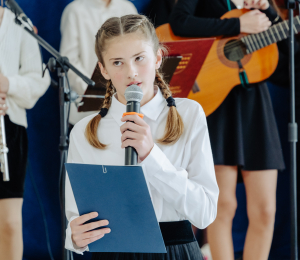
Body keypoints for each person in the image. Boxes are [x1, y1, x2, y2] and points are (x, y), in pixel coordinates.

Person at [64, 14, 219, 260]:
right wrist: (74, 237)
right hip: (113, 253)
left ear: (158, 58)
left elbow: (205, 212)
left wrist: (150, 155)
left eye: (139, 58)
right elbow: (76, 218)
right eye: (117, 63)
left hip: (176, 251)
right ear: (103, 69)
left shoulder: (188, 114)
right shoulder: (84, 132)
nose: (131, 72)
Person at [169, 1, 285, 260]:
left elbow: (284, 47)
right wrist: (238, 24)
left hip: (255, 103)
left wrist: (268, 11)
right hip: (217, 103)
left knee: (265, 209)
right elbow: (179, 21)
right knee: (223, 205)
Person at [0, 6, 50, 260]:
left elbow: (39, 79)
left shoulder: (19, 22)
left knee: (9, 224)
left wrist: (7, 83)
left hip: (8, 131)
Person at [60, 0, 137, 126]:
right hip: (86, 112)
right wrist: (95, 93)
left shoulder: (127, 8)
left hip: (123, 108)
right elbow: (69, 61)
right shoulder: (75, 10)